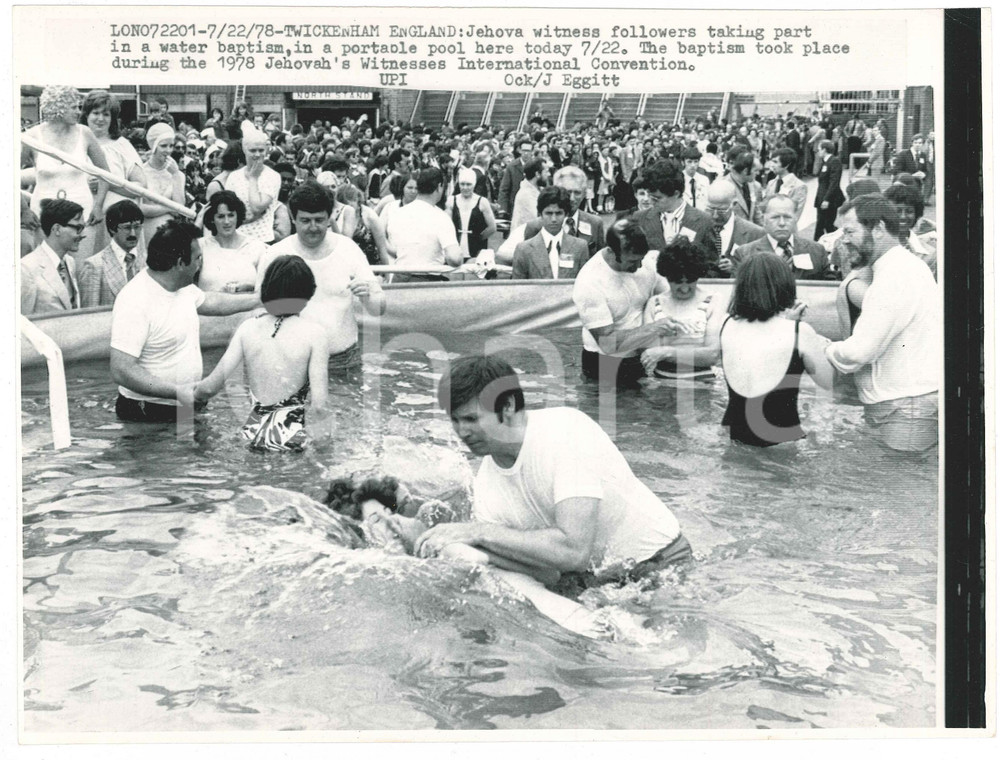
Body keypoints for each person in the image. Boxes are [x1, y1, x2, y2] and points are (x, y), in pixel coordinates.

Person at [413, 355, 691, 597]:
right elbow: (548, 573)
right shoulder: (487, 483)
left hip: (663, 565)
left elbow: (574, 550)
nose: (462, 432)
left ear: (507, 406)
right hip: (596, 582)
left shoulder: (565, 432)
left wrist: (477, 533)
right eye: (455, 420)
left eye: (471, 419)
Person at [109, 219, 260, 422]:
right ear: (180, 264)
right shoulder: (136, 300)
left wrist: (259, 300)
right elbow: (121, 370)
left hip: (185, 403)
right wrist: (178, 391)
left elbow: (211, 302)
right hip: (147, 412)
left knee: (195, 450)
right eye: (198, 258)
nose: (201, 264)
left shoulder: (182, 285)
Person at [824, 194, 940, 452]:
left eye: (849, 231)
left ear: (877, 229)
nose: (843, 239)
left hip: (906, 408)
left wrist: (823, 347)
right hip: (908, 405)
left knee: (896, 485)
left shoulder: (894, 276)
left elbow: (858, 352)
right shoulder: (904, 266)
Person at [194, 255, 329, 451]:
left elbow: (209, 388)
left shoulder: (248, 328)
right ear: (308, 293)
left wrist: (182, 393)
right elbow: (319, 406)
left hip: (253, 435)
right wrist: (324, 448)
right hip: (292, 437)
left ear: (267, 290)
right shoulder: (315, 335)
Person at [258, 182, 386, 372]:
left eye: (319, 220)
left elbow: (379, 309)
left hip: (343, 360)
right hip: (290, 360)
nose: (313, 227)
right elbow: (258, 311)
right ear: (293, 218)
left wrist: (368, 295)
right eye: (305, 220)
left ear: (329, 218)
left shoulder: (348, 249)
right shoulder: (275, 254)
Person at [718, 252, 834, 446]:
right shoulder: (800, 332)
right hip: (783, 445)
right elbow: (828, 381)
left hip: (735, 439)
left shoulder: (726, 325)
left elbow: (759, 352)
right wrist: (822, 345)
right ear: (785, 285)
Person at [573, 219, 690, 387]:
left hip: (640, 357)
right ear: (613, 252)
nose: (639, 265)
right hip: (604, 362)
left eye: (641, 259)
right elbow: (608, 343)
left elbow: (671, 297)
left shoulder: (647, 262)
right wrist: (654, 327)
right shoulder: (589, 282)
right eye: (632, 261)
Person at [22, 86, 110, 254]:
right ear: (58, 107)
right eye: (74, 107)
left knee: (80, 267)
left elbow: (105, 174)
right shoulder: (32, 137)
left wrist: (98, 206)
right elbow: (7, 175)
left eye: (79, 107)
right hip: (43, 215)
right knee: (47, 268)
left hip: (82, 213)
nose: (79, 112)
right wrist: (24, 211)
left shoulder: (85, 133)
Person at [640, 237, 725, 379]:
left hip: (702, 384)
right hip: (662, 384)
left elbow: (712, 355)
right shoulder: (654, 304)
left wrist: (667, 352)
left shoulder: (713, 301)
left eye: (690, 281)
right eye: (678, 283)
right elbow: (649, 353)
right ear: (667, 277)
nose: (685, 289)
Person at [79, 90, 148, 256]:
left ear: (113, 118)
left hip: (117, 222)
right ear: (86, 115)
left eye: (106, 114)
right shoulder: (76, 144)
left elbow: (141, 185)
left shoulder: (121, 145)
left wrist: (108, 184)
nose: (100, 119)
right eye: (95, 113)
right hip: (83, 220)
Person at [385, 167, 462, 282]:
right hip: (426, 281)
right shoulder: (440, 217)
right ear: (439, 187)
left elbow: (393, 247)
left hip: (399, 278)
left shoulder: (398, 213)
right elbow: (454, 258)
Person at [732, 195, 833, 280]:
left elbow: (827, 290)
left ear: (795, 218)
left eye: (787, 217)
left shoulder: (817, 251)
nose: (782, 223)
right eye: (775, 217)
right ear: (764, 220)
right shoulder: (744, 254)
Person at [631, 159, 715, 259]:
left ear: (676, 194)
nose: (650, 201)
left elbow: (712, 265)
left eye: (656, 198)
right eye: (650, 195)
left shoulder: (704, 221)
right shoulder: (639, 218)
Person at [523, 165, 606, 260]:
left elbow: (600, 263)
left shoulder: (595, 223)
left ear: (584, 194)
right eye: (568, 192)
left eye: (577, 193)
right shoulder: (536, 226)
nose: (572, 198)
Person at [21, 199, 85, 314]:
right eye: (78, 228)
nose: (82, 235)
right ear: (57, 229)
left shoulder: (70, 262)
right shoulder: (26, 268)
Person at [511, 187, 589, 280]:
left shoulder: (580, 247)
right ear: (540, 214)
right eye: (548, 213)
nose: (554, 219)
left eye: (559, 213)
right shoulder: (523, 250)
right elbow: (518, 288)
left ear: (566, 214)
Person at [78, 200, 145, 308]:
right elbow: (89, 317)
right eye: (127, 228)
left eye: (137, 227)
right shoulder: (94, 265)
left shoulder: (146, 262)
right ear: (112, 229)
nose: (133, 233)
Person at [198, 190, 267, 293]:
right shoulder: (201, 246)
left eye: (231, 215)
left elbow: (266, 287)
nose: (227, 222)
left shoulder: (256, 246)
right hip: (211, 307)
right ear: (212, 218)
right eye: (221, 216)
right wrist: (198, 221)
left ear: (238, 215)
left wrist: (251, 287)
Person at [224, 129, 281, 243]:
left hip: (263, 240)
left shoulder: (272, 176)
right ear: (244, 150)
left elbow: (257, 207)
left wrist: (253, 178)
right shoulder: (234, 177)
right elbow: (227, 210)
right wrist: (245, 219)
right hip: (236, 240)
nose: (257, 155)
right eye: (252, 150)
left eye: (261, 150)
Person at [702, 182, 764, 277]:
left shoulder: (755, 233)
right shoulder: (698, 227)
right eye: (710, 209)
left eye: (721, 210)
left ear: (734, 204)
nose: (715, 215)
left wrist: (737, 269)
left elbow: (760, 272)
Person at [140, 123, 186, 243]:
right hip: (146, 232)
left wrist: (175, 175)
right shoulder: (140, 172)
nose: (168, 150)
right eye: (163, 146)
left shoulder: (178, 174)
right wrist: (167, 207)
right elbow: (139, 208)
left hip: (170, 234)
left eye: (171, 146)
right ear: (153, 146)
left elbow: (180, 209)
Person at [883, 182, 937, 278]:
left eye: (909, 211)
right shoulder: (876, 246)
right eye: (898, 211)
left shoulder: (929, 254)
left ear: (917, 214)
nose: (903, 217)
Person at [447, 167, 497, 260]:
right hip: (456, 247)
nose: (465, 187)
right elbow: (447, 225)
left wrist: (477, 238)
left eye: (468, 184)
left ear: (474, 185)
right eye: (462, 184)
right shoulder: (451, 201)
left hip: (476, 249)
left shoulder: (482, 202)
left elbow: (492, 227)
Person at [335, 183, 390, 267]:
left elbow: (382, 247)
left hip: (370, 265)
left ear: (358, 200)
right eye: (346, 205)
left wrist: (387, 274)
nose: (349, 207)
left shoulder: (369, 216)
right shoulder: (338, 214)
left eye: (352, 203)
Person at [813, 139, 846, 240]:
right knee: (825, 224)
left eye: (819, 149)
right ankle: (830, 241)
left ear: (824, 150)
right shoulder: (825, 162)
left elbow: (834, 182)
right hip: (822, 197)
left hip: (829, 199)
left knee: (824, 223)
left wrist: (826, 199)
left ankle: (817, 242)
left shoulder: (834, 161)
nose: (818, 151)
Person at [764, 148, 808, 222]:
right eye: (771, 161)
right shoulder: (771, 183)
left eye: (775, 162)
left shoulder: (799, 186)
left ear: (786, 165)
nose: (772, 165)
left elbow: (795, 214)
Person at [508, 158, 548, 232]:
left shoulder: (537, 191)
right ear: (537, 174)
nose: (549, 174)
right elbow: (535, 224)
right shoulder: (526, 195)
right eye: (546, 172)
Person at [680, 146, 710, 211]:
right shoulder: (678, 179)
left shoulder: (704, 180)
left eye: (695, 161)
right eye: (689, 162)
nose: (693, 165)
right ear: (683, 162)